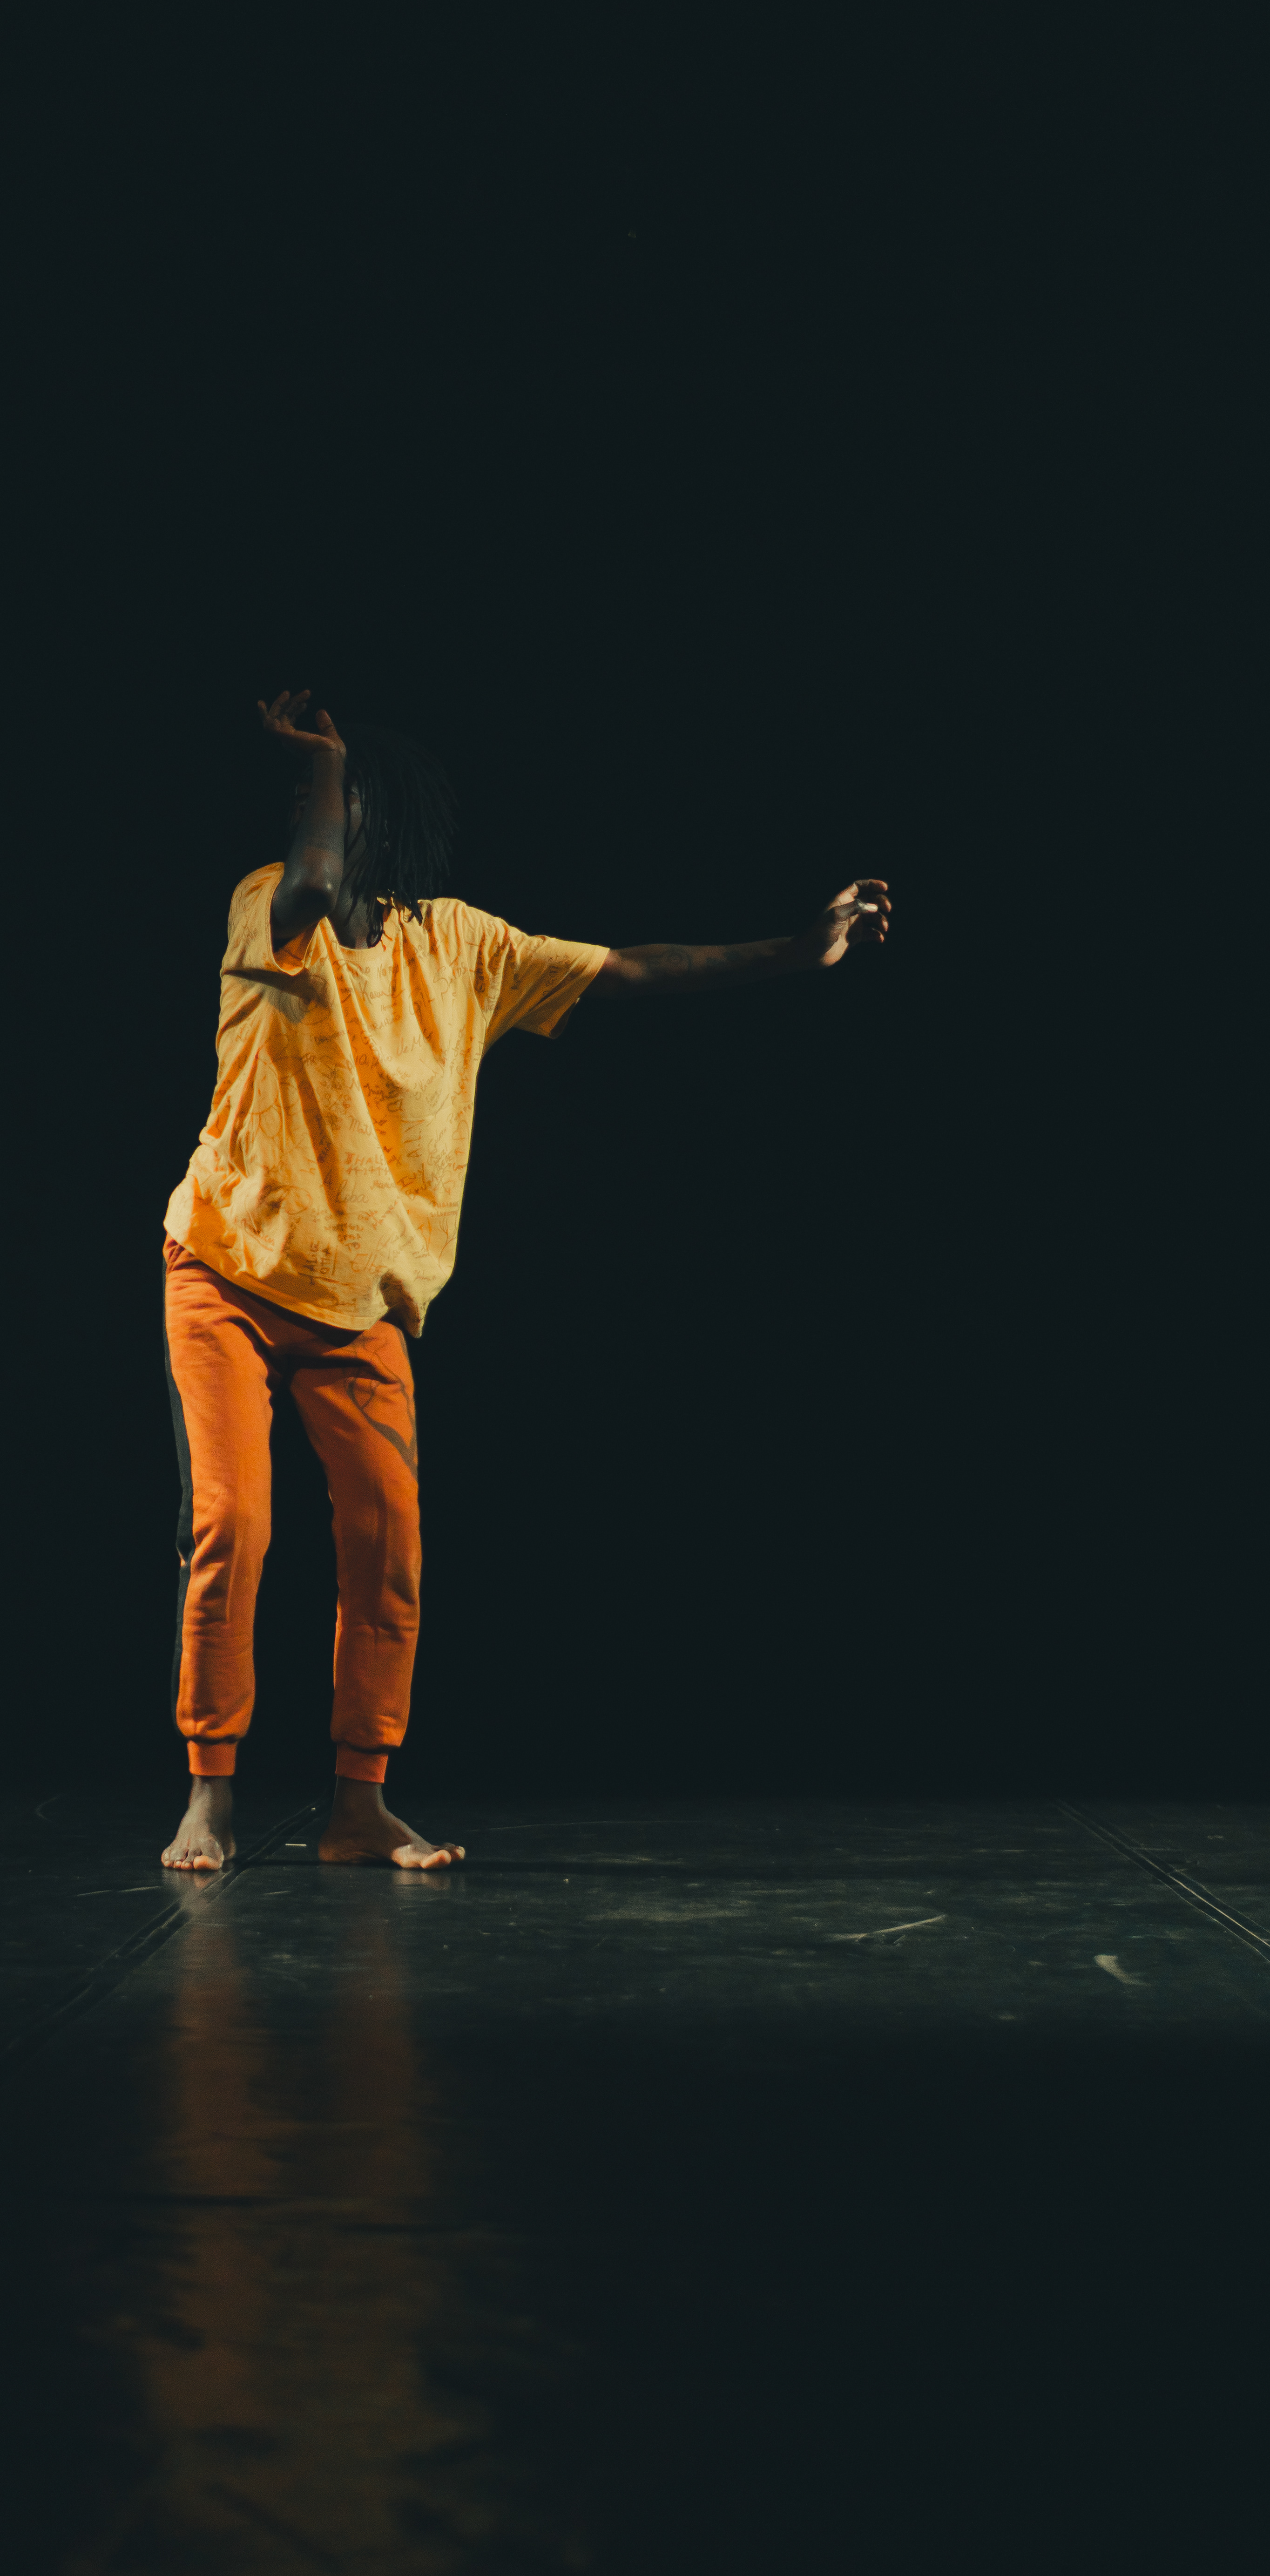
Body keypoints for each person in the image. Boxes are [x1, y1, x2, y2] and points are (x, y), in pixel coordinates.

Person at [160, 690, 892, 1872]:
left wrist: (796, 951)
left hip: (365, 1300)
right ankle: (211, 1790)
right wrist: (329, 761)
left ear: (378, 814)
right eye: (303, 799)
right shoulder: (269, 902)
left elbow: (633, 969)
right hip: (229, 1266)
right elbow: (313, 881)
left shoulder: (464, 947)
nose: (308, 814)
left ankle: (358, 1806)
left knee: (389, 1543)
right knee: (234, 1523)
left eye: (326, 796)